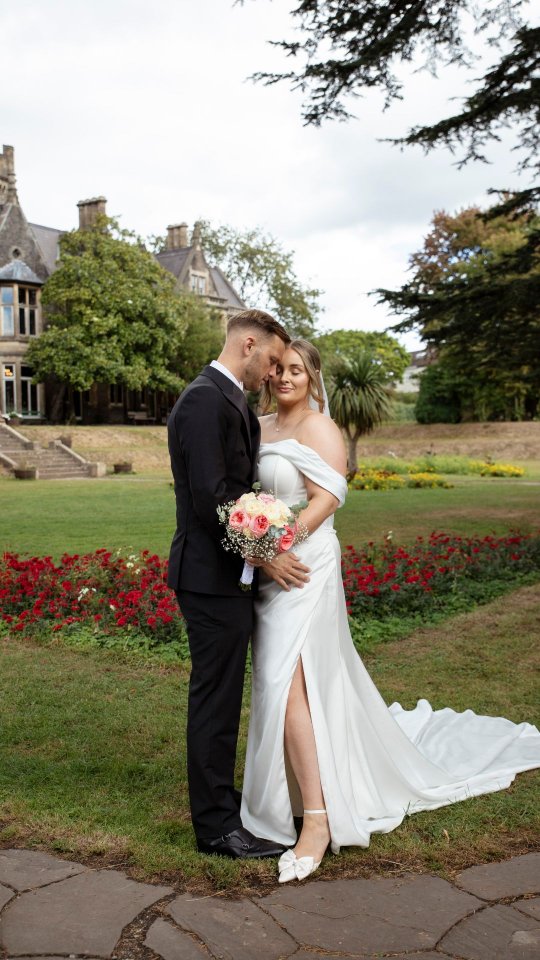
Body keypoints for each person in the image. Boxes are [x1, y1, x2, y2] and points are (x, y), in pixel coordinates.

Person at [240, 338, 540, 883]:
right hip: (268, 569)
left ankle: (318, 822)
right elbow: (241, 495)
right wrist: (257, 552)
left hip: (305, 568)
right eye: (279, 369)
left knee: (290, 687)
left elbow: (326, 500)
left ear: (313, 378)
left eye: (297, 370)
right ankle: (292, 797)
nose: (285, 378)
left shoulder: (321, 429)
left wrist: (274, 546)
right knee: (277, 686)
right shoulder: (257, 426)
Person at [167, 309, 310, 859]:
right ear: (248, 344)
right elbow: (210, 500)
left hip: (228, 575)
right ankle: (216, 829)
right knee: (214, 701)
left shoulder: (230, 401)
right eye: (273, 361)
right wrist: (267, 557)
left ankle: (226, 810)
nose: (275, 374)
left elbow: (233, 489)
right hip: (207, 578)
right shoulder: (204, 400)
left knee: (224, 698)